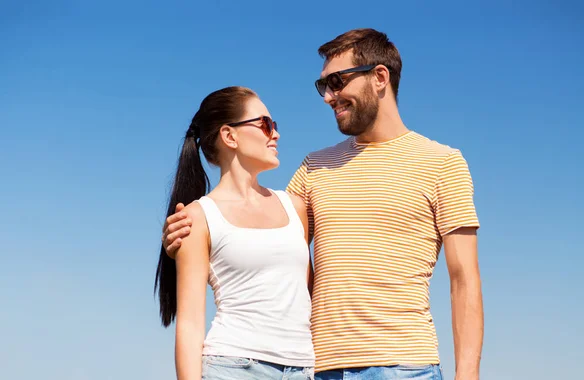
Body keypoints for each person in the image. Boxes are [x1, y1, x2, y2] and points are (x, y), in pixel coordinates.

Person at [163, 29, 483, 380]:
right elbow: (267, 239)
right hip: (321, 370)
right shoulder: (313, 167)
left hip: (406, 366)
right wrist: (189, 231)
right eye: (323, 87)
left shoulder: (442, 163)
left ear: (379, 77)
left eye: (336, 82)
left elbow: (463, 280)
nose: (329, 96)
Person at [154, 86, 315, 380]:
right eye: (265, 124)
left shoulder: (296, 207)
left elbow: (312, 295)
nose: (275, 134)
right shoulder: (197, 218)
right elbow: (190, 323)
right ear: (230, 136)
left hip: (303, 369)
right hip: (233, 367)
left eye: (275, 126)